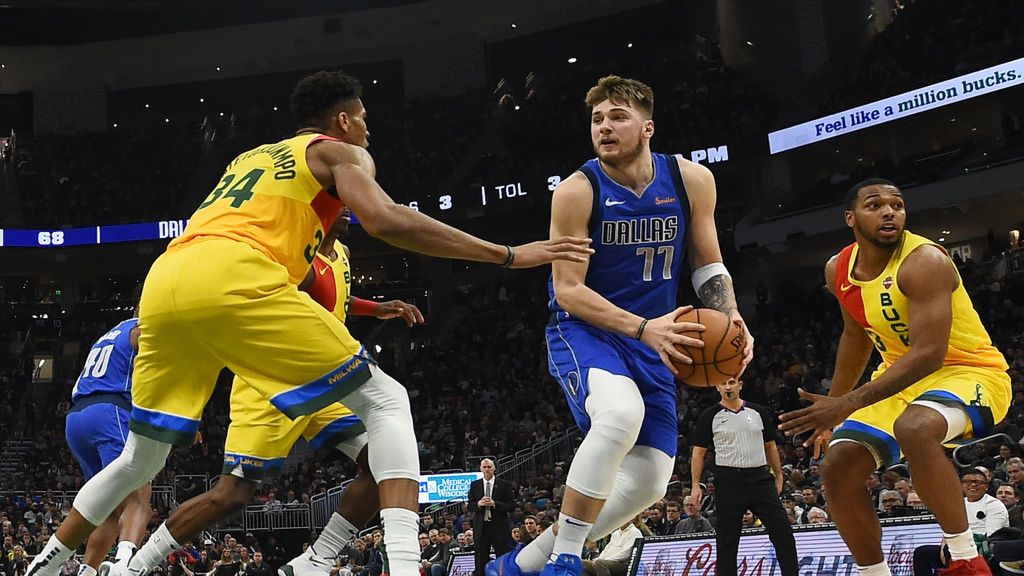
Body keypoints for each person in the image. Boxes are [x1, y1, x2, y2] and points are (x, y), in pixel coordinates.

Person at [25, 70, 592, 576]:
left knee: (139, 459)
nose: (368, 131)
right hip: (235, 276)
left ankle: (45, 567)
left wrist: (373, 307)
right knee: (389, 401)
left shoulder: (248, 158)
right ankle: (404, 564)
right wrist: (508, 254)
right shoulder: (340, 152)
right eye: (365, 120)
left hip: (167, 279)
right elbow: (385, 218)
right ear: (343, 120)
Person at [490, 74, 752, 576]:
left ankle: (520, 565)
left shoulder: (691, 180)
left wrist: (732, 317)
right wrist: (642, 328)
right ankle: (566, 560)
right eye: (596, 119)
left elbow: (708, 264)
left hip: (656, 336)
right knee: (619, 416)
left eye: (617, 116)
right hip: (587, 329)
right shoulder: (577, 191)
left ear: (648, 126)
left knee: (652, 479)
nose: (604, 127)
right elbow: (568, 289)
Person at [114, 208, 422, 576]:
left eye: (346, 204)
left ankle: (318, 561)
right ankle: (137, 566)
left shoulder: (343, 254)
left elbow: (338, 298)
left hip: (327, 373)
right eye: (334, 202)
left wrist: (377, 308)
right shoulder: (287, 251)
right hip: (269, 378)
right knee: (230, 495)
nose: (345, 209)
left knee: (381, 463)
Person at [779, 178, 1012, 576]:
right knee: (837, 465)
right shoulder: (839, 268)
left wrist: (850, 402)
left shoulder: (925, 261)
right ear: (851, 218)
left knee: (915, 427)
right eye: (875, 205)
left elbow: (928, 354)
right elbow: (856, 338)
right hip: (898, 377)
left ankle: (965, 558)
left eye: (897, 205)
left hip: (969, 372)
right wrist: (832, 408)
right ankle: (875, 573)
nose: (890, 212)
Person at [64, 310, 153, 576]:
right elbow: (157, 377)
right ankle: (125, 565)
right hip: (109, 411)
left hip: (77, 419)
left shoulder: (107, 335)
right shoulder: (141, 329)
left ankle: (87, 571)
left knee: (109, 506)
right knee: (139, 494)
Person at [690, 378, 797, 576]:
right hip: (728, 481)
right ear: (717, 387)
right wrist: (695, 485)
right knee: (727, 541)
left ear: (740, 384)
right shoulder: (709, 416)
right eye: (723, 383)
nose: (728, 387)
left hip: (760, 478)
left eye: (731, 382)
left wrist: (779, 474)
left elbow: (770, 445)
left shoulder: (759, 412)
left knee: (783, 532)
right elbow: (698, 453)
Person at [912, 468, 1008, 575]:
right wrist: (943, 546)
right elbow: (948, 530)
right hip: (956, 545)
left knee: (951, 550)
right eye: (967, 481)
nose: (972, 485)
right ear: (961, 485)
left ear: (986, 486)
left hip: (983, 546)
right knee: (922, 553)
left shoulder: (994, 505)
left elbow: (992, 535)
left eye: (977, 482)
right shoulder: (958, 504)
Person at [467, 460, 513, 576]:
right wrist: (478, 504)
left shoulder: (504, 484)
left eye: (489, 467)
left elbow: (511, 505)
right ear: (481, 468)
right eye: (484, 467)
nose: (487, 469)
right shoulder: (475, 485)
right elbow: (469, 506)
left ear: (494, 469)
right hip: (481, 528)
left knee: (502, 558)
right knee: (480, 560)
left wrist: (495, 504)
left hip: (499, 527)